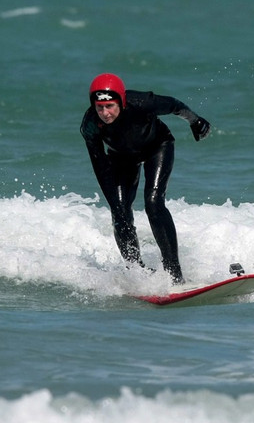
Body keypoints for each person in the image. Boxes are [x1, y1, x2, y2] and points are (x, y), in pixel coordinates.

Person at [80, 73, 211, 284]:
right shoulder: (90, 125)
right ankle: (136, 272)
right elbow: (100, 165)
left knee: (153, 203)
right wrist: (115, 204)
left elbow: (174, 105)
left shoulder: (142, 103)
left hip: (157, 147)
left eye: (110, 106)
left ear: (121, 101)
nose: (105, 113)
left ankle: (174, 274)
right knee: (119, 212)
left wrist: (195, 121)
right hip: (122, 158)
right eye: (99, 107)